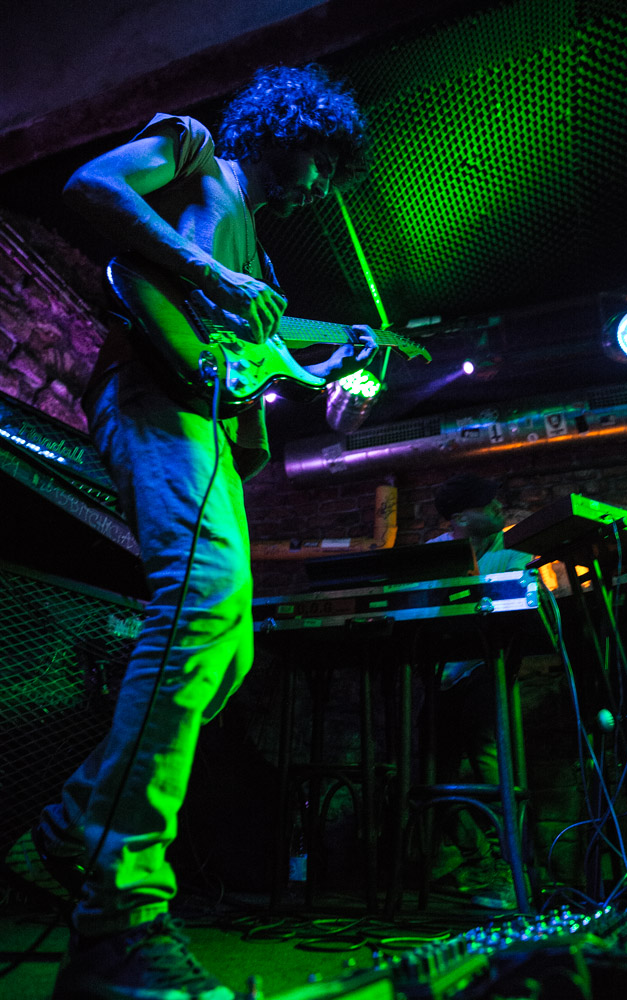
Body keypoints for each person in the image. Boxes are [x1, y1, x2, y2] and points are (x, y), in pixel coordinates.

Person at [6, 64, 377, 1000]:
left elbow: (259, 374)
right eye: (322, 161)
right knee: (202, 605)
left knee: (227, 655)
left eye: (337, 175)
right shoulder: (196, 152)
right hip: (150, 394)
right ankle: (118, 914)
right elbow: (90, 186)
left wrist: (331, 379)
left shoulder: (267, 270)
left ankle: (69, 831)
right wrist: (210, 271)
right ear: (284, 126)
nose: (322, 187)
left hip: (206, 431)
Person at [425, 472, 529, 909]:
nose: (498, 508)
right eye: (487, 504)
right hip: (439, 676)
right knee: (428, 775)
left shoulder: (515, 553)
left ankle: (508, 869)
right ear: (460, 518)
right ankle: (479, 860)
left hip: (488, 669)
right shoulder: (433, 552)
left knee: (492, 766)